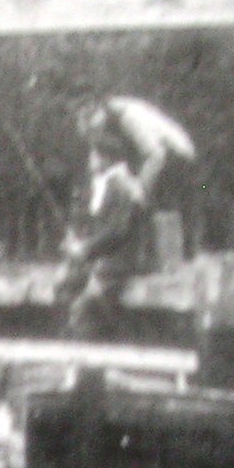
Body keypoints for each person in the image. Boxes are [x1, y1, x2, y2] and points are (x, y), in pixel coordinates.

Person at [57, 94, 196, 338]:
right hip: (150, 158)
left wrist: (138, 190)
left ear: (96, 110)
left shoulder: (128, 117)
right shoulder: (103, 121)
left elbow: (156, 156)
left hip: (176, 157)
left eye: (92, 125)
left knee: (136, 206)